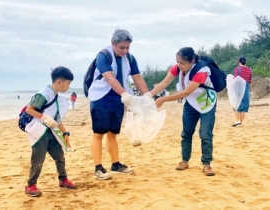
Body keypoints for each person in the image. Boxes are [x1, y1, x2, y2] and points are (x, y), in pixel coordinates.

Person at [145, 47, 217, 176]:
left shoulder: (201, 71)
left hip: (206, 103)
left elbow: (186, 92)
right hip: (190, 103)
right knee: (186, 132)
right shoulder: (177, 67)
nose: (179, 65)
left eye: (182, 63)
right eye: (177, 61)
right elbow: (163, 84)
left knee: (205, 133)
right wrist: (149, 95)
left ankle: (206, 164)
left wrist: (164, 99)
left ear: (192, 61)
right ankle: (184, 160)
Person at [87, 29, 148, 180]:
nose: (125, 51)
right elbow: (110, 78)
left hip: (118, 100)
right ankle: (98, 168)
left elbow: (138, 78)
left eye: (128, 47)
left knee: (113, 133)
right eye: (122, 47)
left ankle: (115, 164)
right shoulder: (103, 56)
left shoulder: (130, 58)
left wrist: (148, 97)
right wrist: (124, 94)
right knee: (99, 132)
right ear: (113, 43)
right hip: (101, 98)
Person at [24, 66, 77, 197]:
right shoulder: (44, 94)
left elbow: (57, 119)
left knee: (59, 156)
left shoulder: (57, 97)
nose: (68, 87)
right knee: (38, 159)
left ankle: (63, 179)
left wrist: (65, 132)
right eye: (68, 83)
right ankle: (30, 185)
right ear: (59, 82)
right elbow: (29, 110)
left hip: (52, 131)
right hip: (39, 131)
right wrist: (44, 117)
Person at [232, 57, 253, 127]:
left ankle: (238, 121)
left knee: (235, 104)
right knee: (244, 106)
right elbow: (250, 82)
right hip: (246, 87)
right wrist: (251, 91)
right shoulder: (250, 70)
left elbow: (235, 79)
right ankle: (240, 122)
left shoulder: (238, 69)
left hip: (238, 87)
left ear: (239, 62)